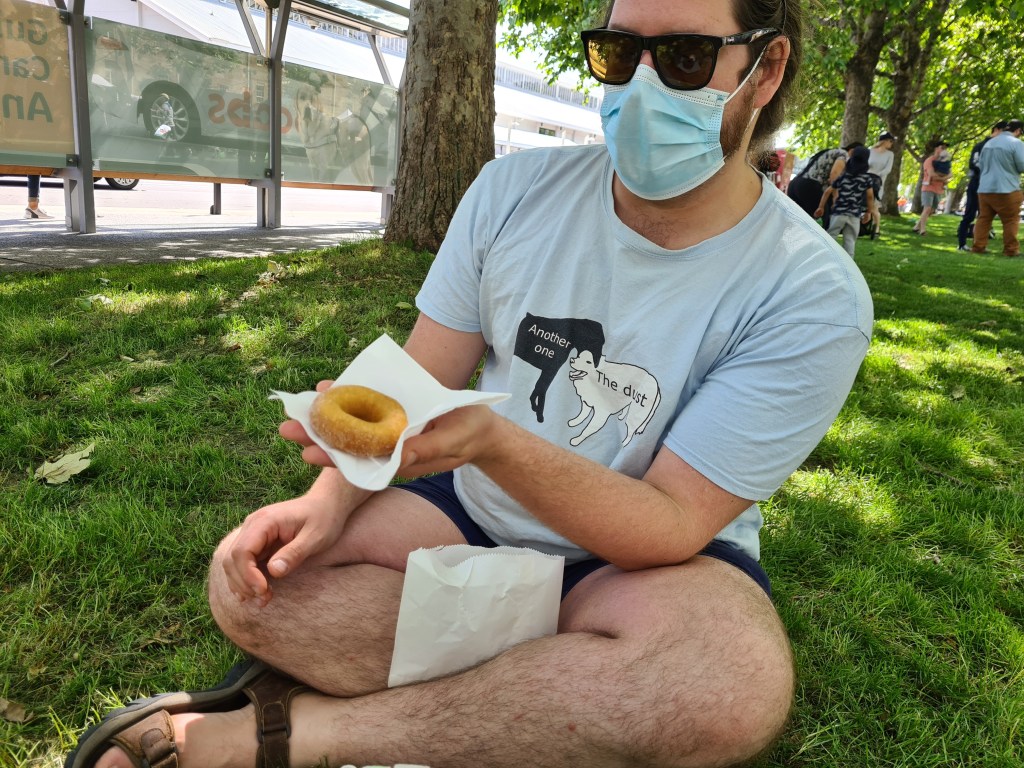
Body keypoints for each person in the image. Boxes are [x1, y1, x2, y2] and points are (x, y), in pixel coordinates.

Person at [68, 2, 874, 768]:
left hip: (644, 573)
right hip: (467, 520)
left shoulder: (812, 294)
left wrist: (491, 440)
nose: (640, 86)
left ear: (765, 70)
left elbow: (666, 525)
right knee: (253, 586)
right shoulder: (512, 193)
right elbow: (420, 376)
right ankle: (558, 691)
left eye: (686, 57)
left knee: (728, 688)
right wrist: (323, 503)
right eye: (619, 53)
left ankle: (295, 733)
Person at [971, 118, 1024, 258]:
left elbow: (980, 165)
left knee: (984, 219)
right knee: (1011, 220)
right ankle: (1011, 249)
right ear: (1018, 131)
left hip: (985, 188)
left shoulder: (989, 143)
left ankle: (978, 247)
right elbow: (1022, 166)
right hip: (1007, 188)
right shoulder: (1016, 143)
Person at [815, 145, 877, 256]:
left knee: (832, 235)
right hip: (854, 215)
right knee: (850, 240)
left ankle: (825, 257)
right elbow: (870, 197)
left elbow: (828, 192)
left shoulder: (843, 177)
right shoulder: (867, 179)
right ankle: (849, 264)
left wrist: (821, 207)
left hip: (839, 212)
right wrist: (869, 212)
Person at [958, 121, 1008, 250]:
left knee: (985, 216)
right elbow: (974, 164)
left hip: (988, 185)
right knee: (970, 214)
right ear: (996, 130)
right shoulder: (982, 146)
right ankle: (962, 243)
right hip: (978, 184)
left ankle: (979, 244)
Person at [787, 143, 848, 227]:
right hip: (810, 185)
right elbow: (834, 175)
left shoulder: (827, 152)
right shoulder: (844, 154)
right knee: (825, 218)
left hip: (795, 183)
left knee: (797, 220)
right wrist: (835, 197)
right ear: (852, 150)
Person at [914, 141, 950, 236]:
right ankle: (922, 230)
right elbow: (932, 175)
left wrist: (945, 178)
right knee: (927, 208)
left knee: (932, 210)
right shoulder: (929, 161)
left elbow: (950, 174)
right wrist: (945, 178)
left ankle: (917, 226)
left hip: (939, 189)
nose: (944, 150)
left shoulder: (945, 162)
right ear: (936, 149)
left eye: (945, 148)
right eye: (942, 147)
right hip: (928, 187)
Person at [866, 131, 895, 239]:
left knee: (874, 206)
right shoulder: (870, 151)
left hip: (878, 182)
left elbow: (888, 169)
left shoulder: (890, 155)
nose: (891, 144)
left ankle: (876, 228)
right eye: (890, 141)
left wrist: (876, 175)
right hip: (866, 180)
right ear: (885, 141)